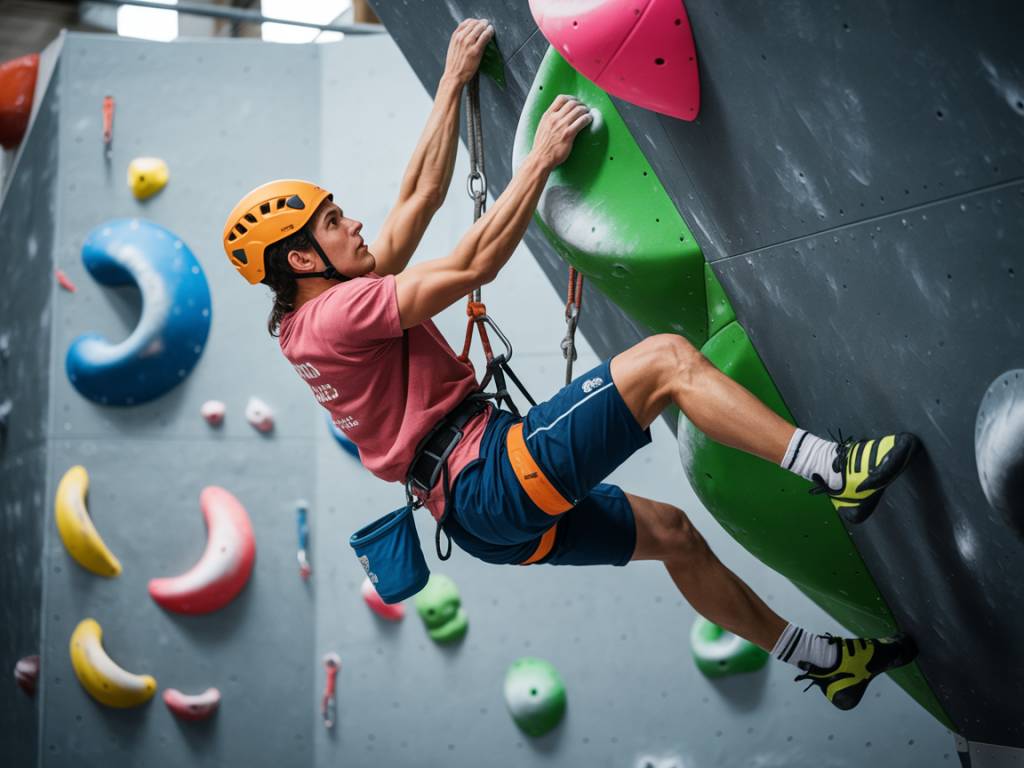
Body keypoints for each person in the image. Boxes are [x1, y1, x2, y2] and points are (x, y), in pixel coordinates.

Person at [222, 19, 920, 711]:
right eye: (335, 221)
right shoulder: (341, 315)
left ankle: (823, 662)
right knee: (667, 363)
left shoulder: (305, 321)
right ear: (305, 258)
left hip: (480, 520)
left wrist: (451, 82)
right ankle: (834, 471)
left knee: (673, 536)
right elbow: (473, 263)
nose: (355, 226)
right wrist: (539, 161)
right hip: (487, 478)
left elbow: (415, 202)